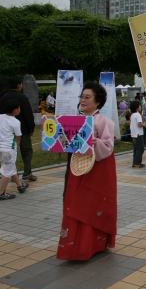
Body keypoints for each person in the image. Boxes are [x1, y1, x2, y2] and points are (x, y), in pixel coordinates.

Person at [58, 82, 116, 260]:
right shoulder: (73, 120)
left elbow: (108, 146)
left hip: (96, 170)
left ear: (97, 102)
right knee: (74, 202)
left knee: (91, 204)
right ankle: (74, 246)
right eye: (82, 97)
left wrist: (96, 142)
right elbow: (64, 142)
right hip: (77, 168)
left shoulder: (103, 121)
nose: (82, 100)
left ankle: (91, 245)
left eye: (87, 97)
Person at [0, 99, 29, 200]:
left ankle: (20, 186)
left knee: (9, 166)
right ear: (15, 110)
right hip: (9, 148)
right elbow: (18, 136)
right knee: (7, 170)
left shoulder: (0, 117)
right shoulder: (16, 122)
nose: (20, 110)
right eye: (19, 108)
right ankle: (1, 193)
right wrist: (17, 146)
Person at [0, 77, 37, 181]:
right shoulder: (22, 98)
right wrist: (31, 128)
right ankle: (27, 172)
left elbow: (0, 114)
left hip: (7, 131)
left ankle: (12, 174)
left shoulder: (4, 98)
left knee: (11, 151)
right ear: (19, 85)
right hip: (23, 129)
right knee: (27, 150)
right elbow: (28, 114)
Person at [130, 100, 145, 168]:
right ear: (136, 107)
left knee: (136, 149)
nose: (140, 106)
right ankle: (137, 163)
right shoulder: (138, 114)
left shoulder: (132, 115)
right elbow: (139, 124)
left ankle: (135, 162)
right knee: (140, 149)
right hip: (138, 134)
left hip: (133, 135)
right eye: (139, 105)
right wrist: (145, 124)